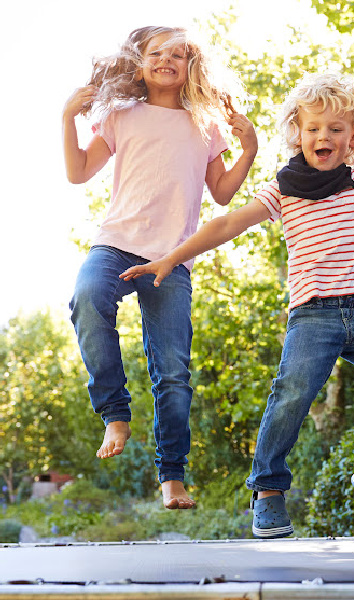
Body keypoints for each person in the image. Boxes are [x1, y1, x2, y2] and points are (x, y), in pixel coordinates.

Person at [120, 45, 354, 537]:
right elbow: (228, 221)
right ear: (297, 133)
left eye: (336, 129)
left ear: (353, 136)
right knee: (291, 394)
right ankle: (268, 490)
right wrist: (170, 257)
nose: (323, 136)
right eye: (313, 128)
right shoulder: (284, 189)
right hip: (313, 314)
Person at [63, 26, 258, 509]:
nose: (167, 60)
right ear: (139, 62)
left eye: (178, 54)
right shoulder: (120, 116)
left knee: (172, 371)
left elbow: (223, 193)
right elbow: (78, 172)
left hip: (171, 258)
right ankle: (115, 413)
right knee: (87, 297)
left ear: (192, 66)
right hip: (116, 243)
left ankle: (172, 477)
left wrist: (249, 148)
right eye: (157, 53)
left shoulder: (205, 125)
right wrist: (68, 115)